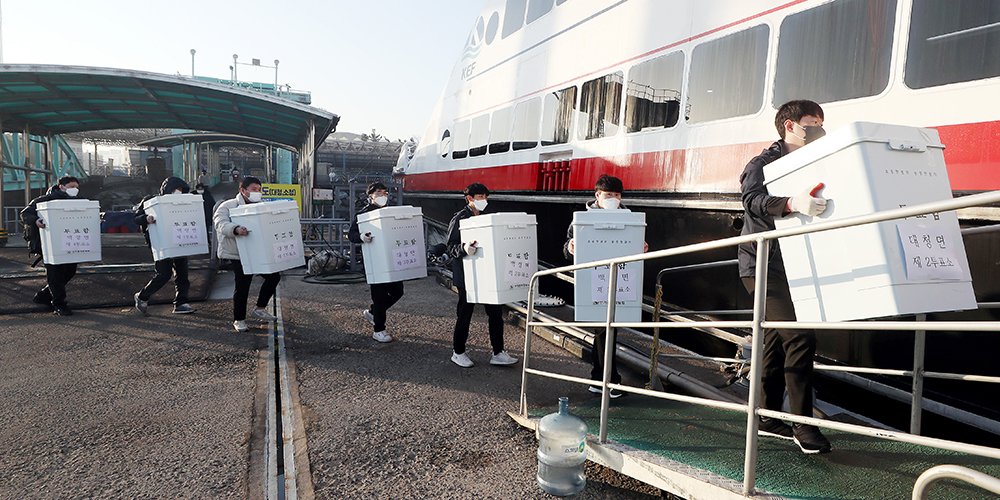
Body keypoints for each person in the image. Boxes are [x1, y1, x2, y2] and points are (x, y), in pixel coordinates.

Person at [739, 99, 832, 454]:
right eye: (813, 121)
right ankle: (804, 427)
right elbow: (752, 200)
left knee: (776, 340)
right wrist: (791, 203)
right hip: (763, 265)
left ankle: (765, 417)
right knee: (800, 336)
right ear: (790, 125)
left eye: (822, 121)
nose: (819, 126)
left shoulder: (817, 160)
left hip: (800, 263)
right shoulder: (762, 163)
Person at [563, 174, 648, 398]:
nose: (614, 198)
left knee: (606, 331)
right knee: (604, 331)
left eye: (618, 195)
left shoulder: (629, 218)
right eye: (609, 194)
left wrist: (643, 246)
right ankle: (608, 382)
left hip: (618, 281)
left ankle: (599, 380)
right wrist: (571, 247)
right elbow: (566, 248)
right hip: (593, 281)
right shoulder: (582, 218)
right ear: (597, 195)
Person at [447, 183, 518, 368]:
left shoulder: (486, 218)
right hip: (466, 275)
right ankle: (458, 352)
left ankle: (498, 352)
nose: (484, 200)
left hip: (487, 273)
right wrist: (464, 248)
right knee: (465, 313)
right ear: (469, 198)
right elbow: (450, 245)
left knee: (495, 313)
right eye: (480, 197)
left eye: (485, 197)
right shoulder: (460, 219)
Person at [214, 176, 280, 332]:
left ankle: (260, 308)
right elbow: (219, 223)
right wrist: (235, 229)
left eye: (259, 189)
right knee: (243, 284)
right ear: (243, 190)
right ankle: (239, 319)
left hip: (258, 250)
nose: (258, 192)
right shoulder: (228, 206)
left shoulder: (261, 206)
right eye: (254, 189)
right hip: (238, 252)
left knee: (274, 276)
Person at [20, 176, 84, 316]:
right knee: (55, 274)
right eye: (72, 186)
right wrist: (36, 221)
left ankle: (43, 296)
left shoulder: (79, 200)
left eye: (77, 187)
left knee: (69, 272)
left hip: (70, 242)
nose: (75, 189)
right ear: (61, 186)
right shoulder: (45, 200)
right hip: (49, 243)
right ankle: (59, 304)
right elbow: (25, 213)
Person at [132, 177, 196, 315]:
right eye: (174, 190)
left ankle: (181, 303)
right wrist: (146, 219)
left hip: (179, 241)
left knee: (182, 275)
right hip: (160, 243)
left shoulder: (183, 203)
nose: (177, 193)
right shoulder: (151, 201)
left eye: (180, 191)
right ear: (166, 189)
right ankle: (142, 296)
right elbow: (136, 218)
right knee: (164, 274)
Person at [348, 181, 401, 343]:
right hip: (374, 260)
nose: (383, 196)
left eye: (385, 193)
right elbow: (351, 234)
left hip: (391, 259)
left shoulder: (390, 212)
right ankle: (379, 330)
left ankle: (373, 313)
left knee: (398, 291)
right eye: (379, 193)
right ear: (370, 196)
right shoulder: (363, 215)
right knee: (379, 295)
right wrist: (361, 237)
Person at [195, 182, 216, 252]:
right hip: (196, 217)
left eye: (201, 189)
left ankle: (207, 243)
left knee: (205, 230)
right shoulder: (193, 195)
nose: (200, 190)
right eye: (199, 189)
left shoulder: (208, 196)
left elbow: (213, 204)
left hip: (206, 216)